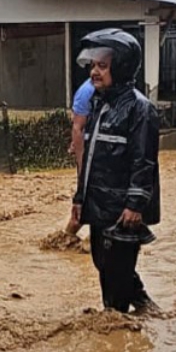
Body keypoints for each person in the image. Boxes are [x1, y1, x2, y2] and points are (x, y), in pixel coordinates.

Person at [72, 28, 161, 315]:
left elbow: (143, 161)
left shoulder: (139, 109)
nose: (94, 72)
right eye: (93, 65)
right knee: (103, 263)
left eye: (102, 66)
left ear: (120, 67)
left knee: (114, 276)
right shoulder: (100, 104)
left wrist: (135, 205)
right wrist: (79, 198)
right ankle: (146, 309)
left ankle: (118, 331)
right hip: (99, 205)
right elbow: (89, 157)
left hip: (123, 210)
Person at [65, 78, 96, 236]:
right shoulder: (87, 92)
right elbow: (78, 130)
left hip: (108, 161)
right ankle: (64, 240)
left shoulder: (116, 92)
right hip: (90, 160)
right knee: (82, 209)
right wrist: (82, 169)